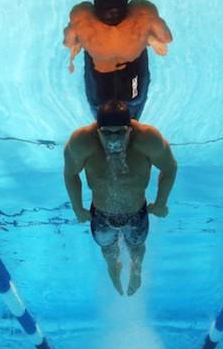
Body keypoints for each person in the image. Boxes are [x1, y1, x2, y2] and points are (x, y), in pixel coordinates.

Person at [63, 100, 177, 295]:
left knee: (136, 246)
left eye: (120, 133)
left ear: (130, 128)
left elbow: (170, 167)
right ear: (97, 130)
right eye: (106, 133)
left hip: (136, 212)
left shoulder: (148, 139)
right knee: (108, 250)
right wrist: (77, 208)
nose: (113, 140)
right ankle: (113, 270)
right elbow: (70, 174)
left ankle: (136, 271)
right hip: (101, 214)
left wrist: (161, 203)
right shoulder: (81, 142)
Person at [63, 0, 173, 120]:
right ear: (126, 7)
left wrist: (79, 38)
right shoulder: (143, 12)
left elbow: (68, 43)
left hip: (100, 73)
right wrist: (149, 38)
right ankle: (131, 125)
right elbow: (167, 38)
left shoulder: (82, 17)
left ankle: (106, 128)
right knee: (134, 101)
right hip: (131, 67)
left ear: (95, 9)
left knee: (98, 104)